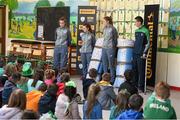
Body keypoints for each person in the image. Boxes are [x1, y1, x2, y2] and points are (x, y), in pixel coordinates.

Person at [132, 16, 150, 92]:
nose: (135, 23)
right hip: (135, 53)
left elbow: (148, 43)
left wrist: (144, 53)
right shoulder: (136, 31)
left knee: (141, 70)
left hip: (141, 54)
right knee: (134, 70)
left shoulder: (146, 31)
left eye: (136, 22)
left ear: (139, 22)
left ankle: (141, 87)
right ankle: (134, 85)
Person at [102, 16, 118, 84]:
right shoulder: (104, 29)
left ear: (107, 21)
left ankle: (112, 80)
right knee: (104, 64)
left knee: (111, 65)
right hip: (104, 48)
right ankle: (105, 79)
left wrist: (113, 48)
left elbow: (115, 40)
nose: (103, 23)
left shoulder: (113, 29)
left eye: (104, 21)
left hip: (110, 48)